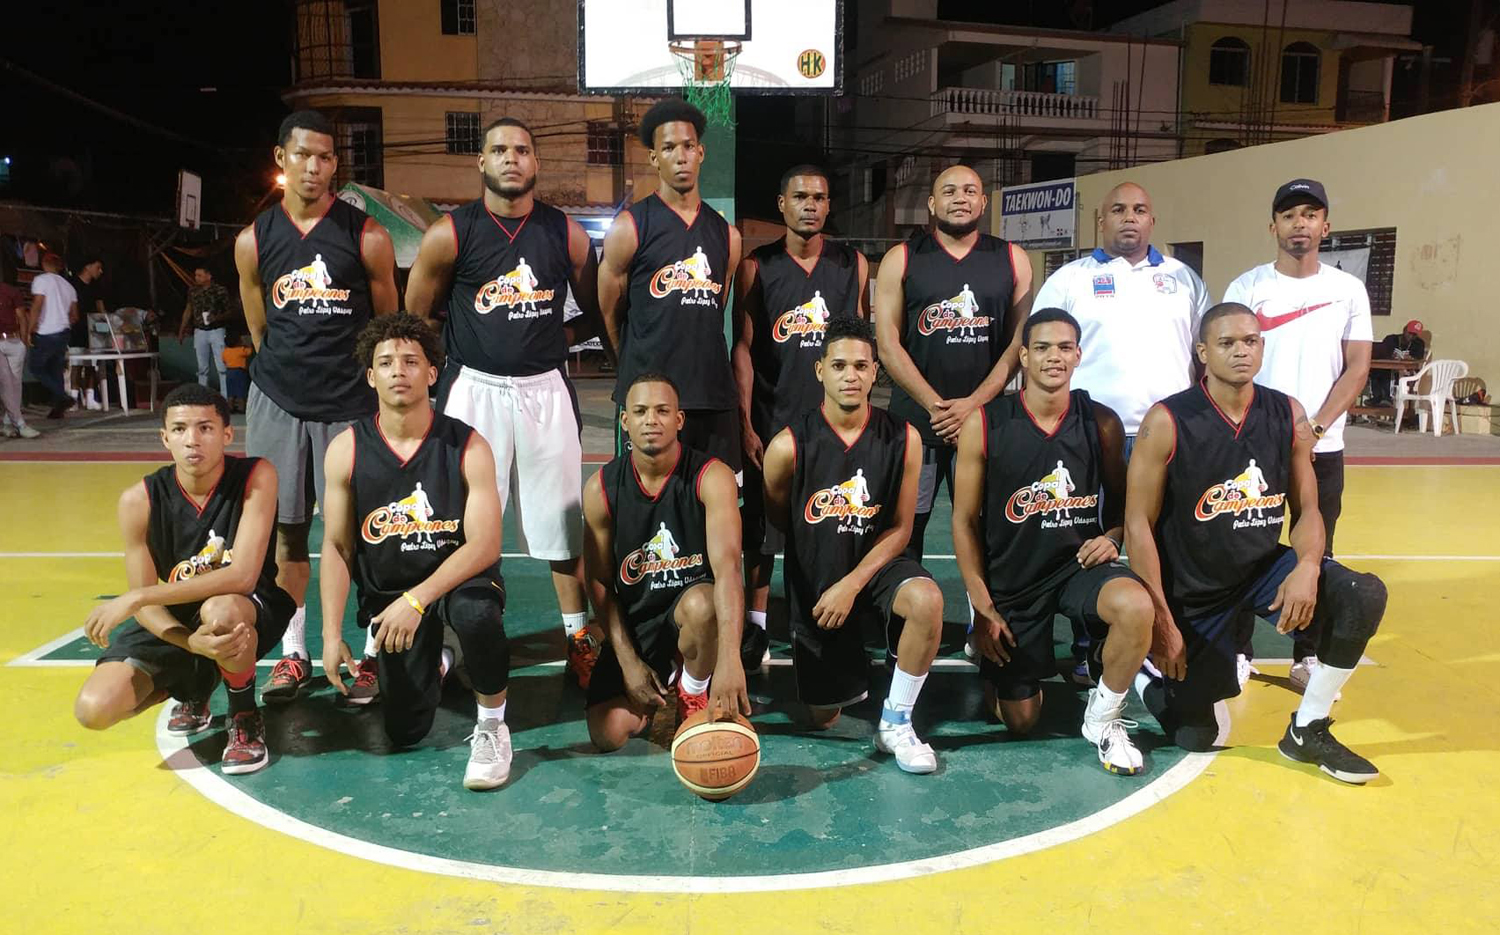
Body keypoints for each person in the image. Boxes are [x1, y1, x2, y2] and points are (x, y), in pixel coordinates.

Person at [1124, 303, 1388, 783]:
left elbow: (1308, 509)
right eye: (1227, 343)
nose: (1241, 351)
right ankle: (1146, 673)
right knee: (1194, 735)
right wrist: (1161, 620)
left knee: (1361, 594)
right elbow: (1138, 525)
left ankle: (1308, 728)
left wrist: (1308, 565)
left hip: (1263, 569)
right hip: (1194, 588)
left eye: (1251, 340)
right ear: (1204, 352)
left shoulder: (1287, 412)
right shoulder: (1168, 419)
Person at [405, 116, 605, 691]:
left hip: (546, 387)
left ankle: (577, 637)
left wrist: (554, 341)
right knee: (460, 520)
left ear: (535, 163)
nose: (511, 159)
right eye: (498, 149)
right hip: (474, 391)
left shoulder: (563, 232)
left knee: (564, 519)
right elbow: (417, 316)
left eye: (521, 150)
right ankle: (448, 639)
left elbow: (592, 311)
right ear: (481, 162)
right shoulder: (451, 233)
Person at [235, 109, 399, 704]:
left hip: (351, 407)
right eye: (303, 154)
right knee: (287, 533)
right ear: (281, 159)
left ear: (335, 164)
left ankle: (376, 648)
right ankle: (294, 650)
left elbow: (386, 325)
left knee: (364, 533)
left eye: (326, 156)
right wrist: (285, 373)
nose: (314, 166)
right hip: (278, 402)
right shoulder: (254, 240)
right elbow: (259, 325)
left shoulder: (366, 234)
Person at [1022, 182, 1209, 685]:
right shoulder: (1069, 279)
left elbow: (1202, 358)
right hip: (1091, 434)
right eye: (1119, 210)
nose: (1130, 218)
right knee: (1092, 545)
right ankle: (1091, 650)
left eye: (1141, 210)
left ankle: (1169, 642)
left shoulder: (1184, 280)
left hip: (1167, 436)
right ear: (1101, 220)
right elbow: (1041, 353)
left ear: (1154, 219)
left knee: (1169, 545)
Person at [951, 308, 1153, 774]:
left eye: (1065, 347)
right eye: (1042, 348)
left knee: (1135, 606)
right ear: (1023, 356)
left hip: (1077, 568)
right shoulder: (986, 422)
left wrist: (1113, 536)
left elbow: (1124, 503)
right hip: (1014, 578)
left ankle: (1104, 716)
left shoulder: (1100, 421)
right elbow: (963, 521)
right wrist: (981, 606)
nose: (1053, 357)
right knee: (1020, 721)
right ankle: (994, 665)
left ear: (1079, 355)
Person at [318, 314, 514, 789]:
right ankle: (440, 658)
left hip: (457, 578)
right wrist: (328, 633)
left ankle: (493, 724)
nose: (398, 370)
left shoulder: (468, 445)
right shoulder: (346, 449)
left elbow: (485, 544)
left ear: (432, 373)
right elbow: (339, 547)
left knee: (476, 614)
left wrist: (417, 600)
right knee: (404, 730)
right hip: (392, 590)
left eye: (411, 361)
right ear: (371, 376)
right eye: (385, 362)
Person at [73, 383, 294, 775]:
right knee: (94, 709)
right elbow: (150, 610)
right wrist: (186, 641)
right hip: (180, 619)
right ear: (164, 438)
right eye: (179, 429)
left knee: (221, 609)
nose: (192, 440)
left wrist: (138, 595)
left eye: (205, 428)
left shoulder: (256, 476)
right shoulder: (138, 501)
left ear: (228, 434)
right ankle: (195, 686)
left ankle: (244, 718)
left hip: (247, 608)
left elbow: (242, 576)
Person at [761, 316, 945, 774]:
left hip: (878, 569)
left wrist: (854, 583)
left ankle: (896, 723)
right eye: (839, 365)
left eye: (861, 366)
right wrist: (830, 579)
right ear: (819, 369)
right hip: (820, 580)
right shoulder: (787, 446)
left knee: (926, 600)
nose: (851, 376)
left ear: (875, 371)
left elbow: (902, 528)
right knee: (825, 717)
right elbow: (778, 515)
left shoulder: (905, 438)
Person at [1223, 179, 1373, 692]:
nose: (1300, 224)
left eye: (1310, 214)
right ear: (1274, 227)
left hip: (1321, 446)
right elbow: (1227, 363)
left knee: (1317, 549)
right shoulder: (1246, 288)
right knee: (1244, 547)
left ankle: (1306, 652)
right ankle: (1238, 648)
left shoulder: (1348, 289)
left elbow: (1357, 367)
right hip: (1253, 447)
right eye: (1289, 216)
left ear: (1325, 226)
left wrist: (1316, 426)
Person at [731, 163, 868, 674]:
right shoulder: (756, 266)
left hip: (835, 425)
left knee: (833, 523)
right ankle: (758, 626)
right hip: (774, 419)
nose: (811, 205)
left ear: (829, 205)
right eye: (801, 197)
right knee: (764, 533)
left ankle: (832, 614)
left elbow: (859, 345)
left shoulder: (853, 264)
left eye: (820, 197)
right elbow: (742, 349)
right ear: (782, 204)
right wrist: (746, 424)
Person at [580, 372, 749, 751]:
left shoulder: (712, 476)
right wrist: (627, 662)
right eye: (639, 411)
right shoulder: (601, 489)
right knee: (608, 734)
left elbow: (728, 570)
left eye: (661, 410)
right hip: (639, 621)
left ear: (679, 419)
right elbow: (600, 583)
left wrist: (730, 659)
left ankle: (692, 691)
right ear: (625, 421)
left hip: (695, 617)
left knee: (702, 604)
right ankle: (666, 677)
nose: (651, 420)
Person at [873, 164, 1033, 562]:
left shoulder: (1013, 258)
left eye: (969, 191)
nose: (960, 198)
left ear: (983, 201)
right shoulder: (902, 258)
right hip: (917, 423)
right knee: (907, 529)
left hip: (987, 422)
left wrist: (975, 404)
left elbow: (1020, 342)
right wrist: (935, 406)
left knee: (988, 528)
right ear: (932, 203)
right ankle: (905, 617)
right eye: (949, 191)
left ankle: (986, 622)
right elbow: (888, 343)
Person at [599, 98, 745, 476]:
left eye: (687, 146)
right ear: (653, 158)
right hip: (649, 399)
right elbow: (608, 312)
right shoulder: (630, 227)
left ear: (701, 152)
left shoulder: (726, 236)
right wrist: (632, 364)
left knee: (718, 508)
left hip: (712, 396)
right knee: (646, 511)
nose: (680, 156)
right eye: (668, 148)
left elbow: (716, 309)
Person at [28, 253, 78, 419]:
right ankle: (58, 410)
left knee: (36, 368)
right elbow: (74, 316)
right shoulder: (69, 286)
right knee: (56, 369)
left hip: (45, 331)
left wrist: (30, 328)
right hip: (63, 332)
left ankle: (62, 396)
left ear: (44, 264)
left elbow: (37, 304)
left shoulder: (41, 280)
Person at [178, 266, 235, 391]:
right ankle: (202, 394)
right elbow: (188, 310)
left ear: (208, 276)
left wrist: (216, 318)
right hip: (200, 331)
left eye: (200, 275)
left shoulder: (220, 290)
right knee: (202, 368)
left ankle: (225, 397)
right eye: (196, 275)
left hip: (217, 330)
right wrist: (182, 329)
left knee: (221, 366)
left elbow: (230, 311)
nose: (196, 278)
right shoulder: (193, 291)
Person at [0, 275, 40, 438]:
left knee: (14, 385)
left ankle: (8, 423)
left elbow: (22, 316)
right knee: (7, 382)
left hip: (14, 340)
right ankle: (20, 424)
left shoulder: (10, 291)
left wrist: (23, 341)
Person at [1370, 319, 1426, 406]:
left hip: (1407, 371)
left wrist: (1409, 359)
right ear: (1404, 330)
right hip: (1388, 368)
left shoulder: (1419, 343)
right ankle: (1378, 397)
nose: (1411, 336)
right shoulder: (1391, 339)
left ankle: (1386, 398)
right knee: (1378, 369)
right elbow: (1381, 353)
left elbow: (1418, 360)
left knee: (1388, 371)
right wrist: (1391, 357)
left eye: (1414, 335)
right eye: (1410, 333)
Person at [221, 332, 252, 413]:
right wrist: (247, 344)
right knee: (241, 391)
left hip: (229, 372)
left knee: (230, 392)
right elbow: (250, 351)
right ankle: (241, 408)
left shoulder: (225, 351)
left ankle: (230, 407)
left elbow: (223, 360)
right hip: (240, 372)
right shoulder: (241, 350)